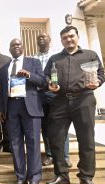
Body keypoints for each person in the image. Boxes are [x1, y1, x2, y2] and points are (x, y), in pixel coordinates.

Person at [44, 26, 105, 184]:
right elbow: (46, 75)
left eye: (71, 36)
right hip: (60, 100)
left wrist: (98, 82)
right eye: (65, 38)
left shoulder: (90, 55)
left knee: (87, 140)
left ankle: (86, 176)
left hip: (83, 99)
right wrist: (49, 83)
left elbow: (101, 73)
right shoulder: (54, 58)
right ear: (61, 40)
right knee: (56, 139)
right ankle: (61, 175)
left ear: (77, 37)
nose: (68, 40)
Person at [0, 38, 46, 184]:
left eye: (18, 44)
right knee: (16, 144)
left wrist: (28, 75)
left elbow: (43, 81)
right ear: (10, 49)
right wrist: (1, 110)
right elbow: (2, 92)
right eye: (13, 45)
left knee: (33, 143)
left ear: (23, 47)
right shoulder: (4, 68)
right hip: (11, 107)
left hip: (30, 107)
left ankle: (34, 178)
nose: (16, 47)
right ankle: (20, 176)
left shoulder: (34, 62)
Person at [33, 33, 72, 168]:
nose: (41, 39)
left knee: (60, 126)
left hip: (56, 94)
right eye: (39, 38)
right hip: (40, 95)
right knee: (45, 127)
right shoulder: (33, 58)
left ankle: (64, 156)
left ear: (50, 39)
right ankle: (50, 155)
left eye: (44, 37)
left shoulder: (57, 56)